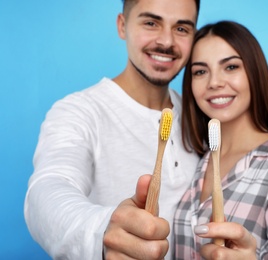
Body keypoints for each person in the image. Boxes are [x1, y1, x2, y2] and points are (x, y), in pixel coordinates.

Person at [24, 0, 200, 259]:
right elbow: (48, 189)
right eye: (151, 23)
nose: (166, 41)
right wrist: (103, 231)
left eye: (182, 29)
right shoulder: (79, 111)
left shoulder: (199, 113)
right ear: (122, 25)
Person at [174, 21, 268, 259]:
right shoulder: (194, 159)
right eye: (200, 71)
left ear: (254, 72)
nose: (214, 82)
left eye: (230, 67)